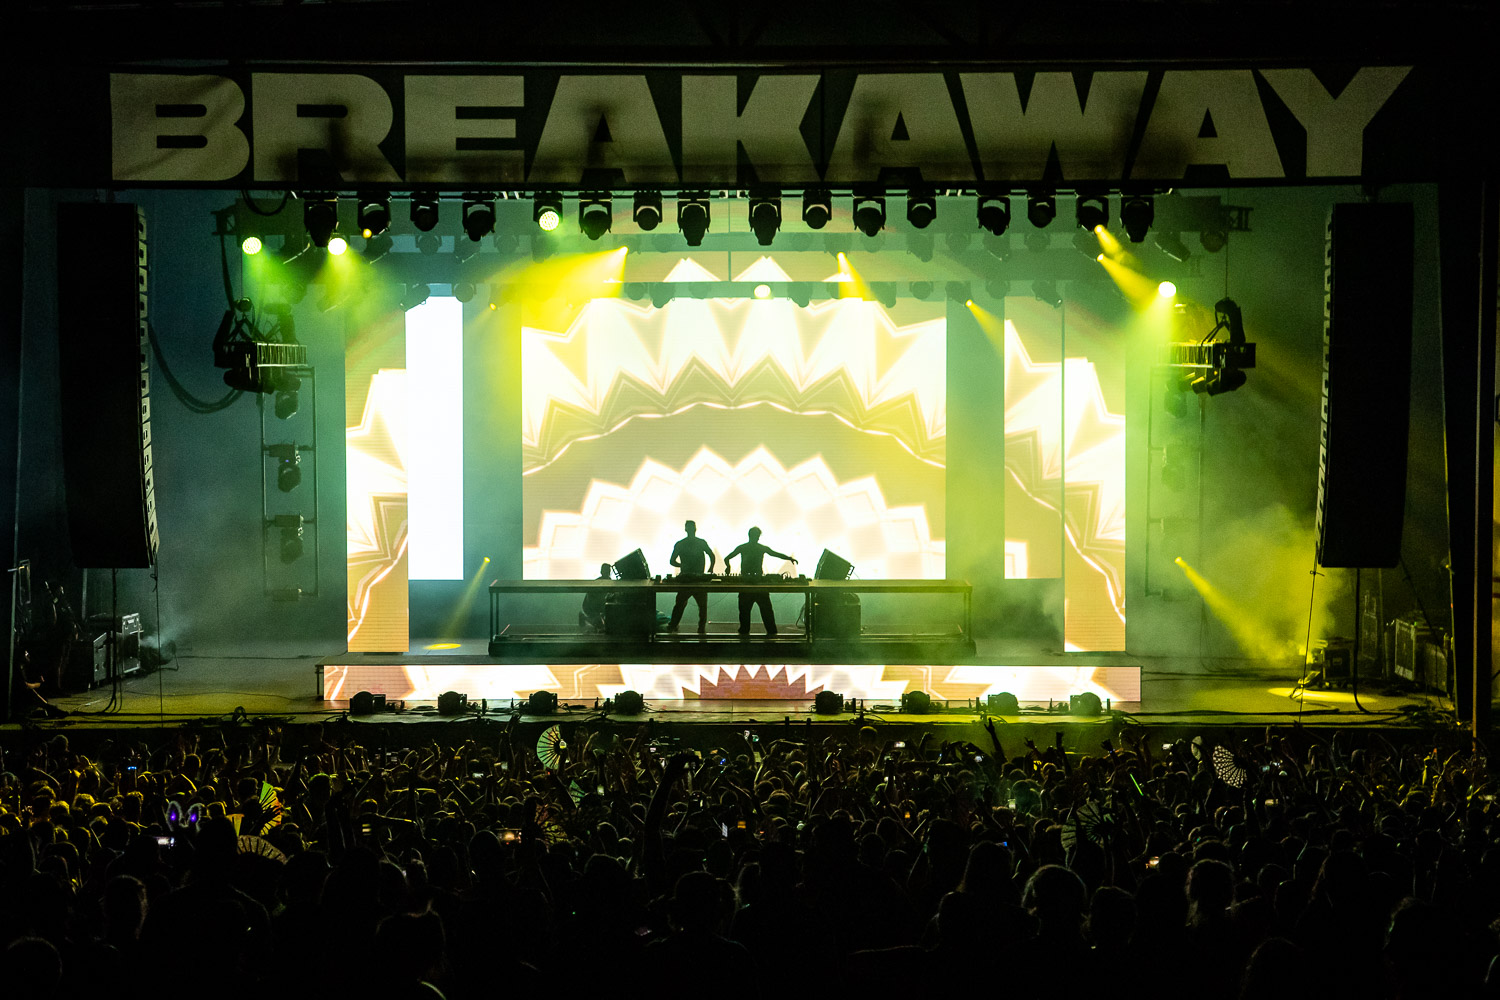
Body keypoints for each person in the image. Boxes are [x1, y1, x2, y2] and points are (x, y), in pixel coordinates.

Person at [724, 527, 796, 636]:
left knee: (745, 611)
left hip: (746, 582)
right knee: (766, 610)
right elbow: (774, 554)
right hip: (758, 582)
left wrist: (728, 567)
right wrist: (789, 558)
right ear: (757, 536)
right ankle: (771, 632)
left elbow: (727, 558)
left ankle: (744, 631)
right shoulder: (761, 548)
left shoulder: (743, 547)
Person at [666, 521, 715, 633]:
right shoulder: (701, 542)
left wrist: (681, 565)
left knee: (680, 604)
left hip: (686, 579)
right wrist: (711, 569)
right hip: (698, 578)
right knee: (702, 606)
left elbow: (672, 561)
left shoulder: (680, 544)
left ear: (686, 529)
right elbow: (711, 555)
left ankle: (673, 625)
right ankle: (701, 628)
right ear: (695, 529)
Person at [579, 563, 612, 631]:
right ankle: (585, 618)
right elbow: (592, 599)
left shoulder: (600, 582)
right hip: (592, 607)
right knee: (601, 625)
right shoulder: (601, 583)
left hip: (596, 606)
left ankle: (587, 619)